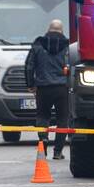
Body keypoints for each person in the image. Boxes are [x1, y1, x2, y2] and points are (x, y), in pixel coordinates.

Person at [25, 19, 70, 159]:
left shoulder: (38, 44)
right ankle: (58, 152)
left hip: (43, 88)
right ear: (61, 30)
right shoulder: (68, 45)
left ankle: (43, 144)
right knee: (63, 119)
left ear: (48, 29)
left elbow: (29, 66)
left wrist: (30, 84)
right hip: (62, 88)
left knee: (42, 116)